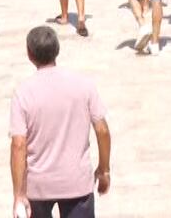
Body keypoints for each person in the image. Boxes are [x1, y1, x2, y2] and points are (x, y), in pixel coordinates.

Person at [9, 25, 111, 218]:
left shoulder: (23, 93)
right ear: (57, 50)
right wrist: (104, 169)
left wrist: (18, 195)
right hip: (76, 182)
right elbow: (102, 130)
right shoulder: (84, 85)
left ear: (29, 54)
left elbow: (18, 144)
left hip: (38, 186)